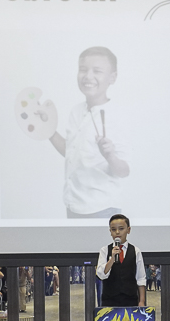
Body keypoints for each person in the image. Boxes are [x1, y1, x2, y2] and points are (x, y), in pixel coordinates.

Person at [48, 46, 130, 218]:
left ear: (112, 78)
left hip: (102, 209)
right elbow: (71, 152)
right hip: (73, 206)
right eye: (83, 69)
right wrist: (48, 130)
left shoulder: (118, 116)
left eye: (97, 71)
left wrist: (110, 156)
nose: (88, 76)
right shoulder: (76, 111)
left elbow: (124, 171)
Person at [96, 213, 146, 307]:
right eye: (113, 229)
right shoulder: (105, 250)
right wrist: (112, 259)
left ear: (128, 230)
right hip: (109, 301)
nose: (117, 232)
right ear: (110, 231)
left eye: (121, 228)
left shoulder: (136, 251)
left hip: (130, 300)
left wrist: (142, 301)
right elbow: (101, 275)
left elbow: (141, 278)